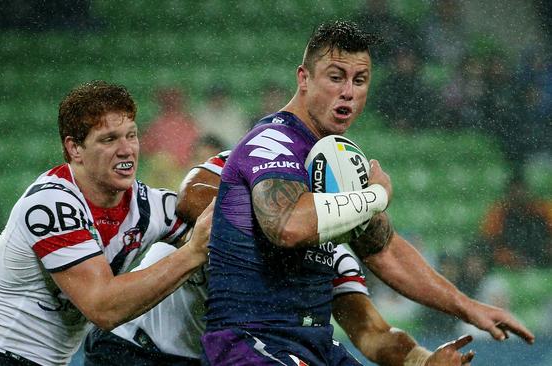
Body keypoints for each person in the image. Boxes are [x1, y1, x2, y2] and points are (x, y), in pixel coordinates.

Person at [201, 20, 534, 366]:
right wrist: (374, 196)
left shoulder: (337, 158)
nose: (348, 92)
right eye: (335, 77)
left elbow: (384, 249)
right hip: (252, 344)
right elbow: (289, 226)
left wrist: (468, 307)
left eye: (359, 81)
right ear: (304, 78)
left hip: (313, 345)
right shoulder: (271, 141)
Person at [85, 151, 477, 366]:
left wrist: (421, 361)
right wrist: (278, 232)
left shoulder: (332, 258)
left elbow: (372, 332)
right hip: (130, 347)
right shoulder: (256, 172)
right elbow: (192, 197)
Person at [0, 80, 213, 366]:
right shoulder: (50, 205)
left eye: (132, 135)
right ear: (75, 148)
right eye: (109, 139)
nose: (126, 150)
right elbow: (103, 308)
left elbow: (213, 230)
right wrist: (192, 253)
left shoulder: (148, 205)